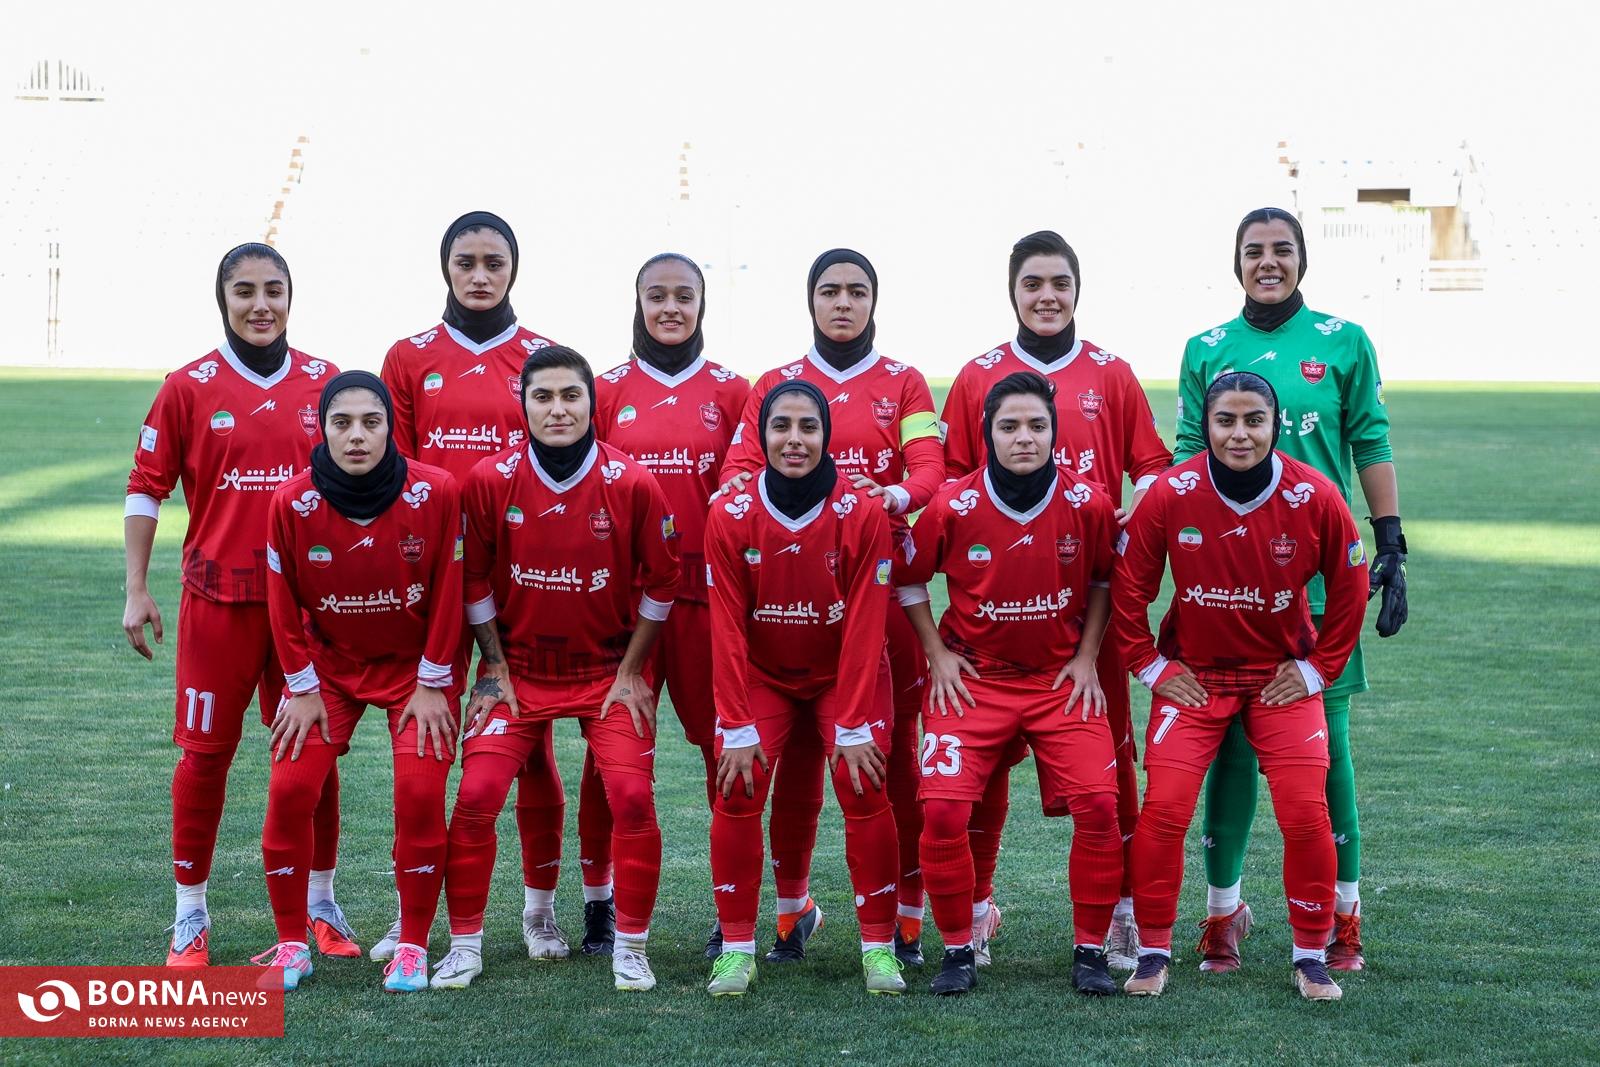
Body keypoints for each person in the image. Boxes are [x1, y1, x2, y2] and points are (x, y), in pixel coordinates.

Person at [1174, 208, 1407, 973]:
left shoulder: (1344, 340)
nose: (1267, 261)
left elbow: (1369, 437)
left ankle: (1344, 913)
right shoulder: (1206, 347)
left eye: (1282, 249)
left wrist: (1390, 541)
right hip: (1228, 591)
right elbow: (1187, 455)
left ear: (1303, 258)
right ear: (1235, 262)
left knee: (1327, 758)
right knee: (1231, 755)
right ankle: (1223, 912)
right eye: (1254, 251)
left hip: (1318, 588)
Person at [939, 230, 1172, 969]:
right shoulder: (977, 375)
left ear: (1078, 289)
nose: (1047, 296)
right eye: (1033, 283)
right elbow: (949, 477)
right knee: (981, 772)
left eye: (1059, 283)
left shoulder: (1111, 372)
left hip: (1086, 609)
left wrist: (1132, 515)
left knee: (1114, 764)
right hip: (999, 606)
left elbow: (1154, 467)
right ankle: (977, 907)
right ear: (1012, 291)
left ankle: (1124, 911)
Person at [124, 243, 352, 966]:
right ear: (222, 299)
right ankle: (189, 914)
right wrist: (136, 588)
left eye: (273, 290)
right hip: (218, 602)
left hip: (305, 612)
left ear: (291, 296)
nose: (261, 305)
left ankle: (321, 903)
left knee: (313, 758)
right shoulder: (187, 386)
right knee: (204, 758)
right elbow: (146, 487)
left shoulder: (326, 382)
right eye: (245, 290)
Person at [716, 248, 943, 966]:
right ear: (810, 300)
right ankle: (791, 912)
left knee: (887, 761)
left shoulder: (904, 380)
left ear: (874, 301)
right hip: (788, 590)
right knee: (794, 764)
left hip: (879, 593)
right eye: (829, 290)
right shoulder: (776, 383)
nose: (843, 302)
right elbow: (738, 472)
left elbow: (930, 468)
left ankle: (906, 919)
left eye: (857, 291)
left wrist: (893, 496)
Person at [432, 345, 680, 992]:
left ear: (592, 403)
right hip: (519, 671)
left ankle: (631, 946)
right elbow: (473, 576)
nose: (558, 409)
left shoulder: (631, 481)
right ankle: (474, 941)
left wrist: (632, 670)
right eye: (542, 396)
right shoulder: (490, 478)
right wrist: (492, 664)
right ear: (523, 405)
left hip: (606, 672)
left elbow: (663, 580)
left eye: (571, 395)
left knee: (632, 797)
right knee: (477, 795)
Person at [1113, 371, 1367, 1001]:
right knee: (1165, 810)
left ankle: (1311, 956)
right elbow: (1128, 588)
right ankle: (1152, 953)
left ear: (1276, 425)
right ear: (1206, 425)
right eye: (1225, 420)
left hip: (1279, 680)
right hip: (1195, 679)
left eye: (1255, 420)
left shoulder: (1314, 494)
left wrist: (1317, 668)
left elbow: (1351, 583)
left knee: (1305, 812)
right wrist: (1151, 665)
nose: (1240, 434)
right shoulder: (1171, 493)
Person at [376, 211, 577, 963]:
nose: (481, 274)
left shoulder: (541, 357)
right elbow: (391, 471)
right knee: (422, 758)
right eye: (467, 261)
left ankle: (539, 911)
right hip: (427, 584)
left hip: (516, 585)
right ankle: (410, 917)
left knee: (531, 753)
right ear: (446, 268)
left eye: (495, 261)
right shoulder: (408, 357)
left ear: (514, 268)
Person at [895, 371, 1123, 997]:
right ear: (986, 433)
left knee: (1100, 805)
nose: (1024, 437)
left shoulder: (1089, 501)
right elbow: (908, 578)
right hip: (974, 680)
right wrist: (937, 654)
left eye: (1037, 426)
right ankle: (959, 949)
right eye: (1009, 426)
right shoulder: (953, 503)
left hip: (1058, 680)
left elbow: (1105, 578)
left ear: (1055, 432)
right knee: (943, 810)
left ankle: (1090, 951)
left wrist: (1087, 657)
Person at [255, 372, 463, 992]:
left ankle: (413, 946)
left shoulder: (436, 492)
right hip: (328, 671)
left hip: (416, 673)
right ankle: (291, 944)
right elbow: (281, 601)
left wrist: (433, 681)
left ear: (390, 428)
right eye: (341, 422)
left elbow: (451, 593)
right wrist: (301, 687)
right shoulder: (291, 502)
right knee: (290, 790)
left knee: (420, 795)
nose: (356, 436)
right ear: (321, 427)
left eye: (371, 422)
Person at [703, 380, 903, 997]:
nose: (794, 440)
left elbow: (866, 622)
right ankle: (735, 950)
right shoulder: (729, 512)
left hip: (843, 675)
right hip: (764, 675)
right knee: (736, 786)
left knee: (863, 780)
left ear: (826, 435)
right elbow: (727, 626)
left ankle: (879, 948)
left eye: (808, 427)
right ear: (762, 435)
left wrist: (852, 724)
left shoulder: (862, 510)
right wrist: (736, 724)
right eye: (781, 426)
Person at [591, 252, 752, 957]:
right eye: (656, 296)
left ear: (701, 304)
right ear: (638, 302)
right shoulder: (604, 390)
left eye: (684, 296)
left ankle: (732, 909)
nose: (670, 308)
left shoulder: (734, 390)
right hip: (623, 603)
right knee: (612, 757)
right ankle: (599, 904)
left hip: (704, 598)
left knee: (726, 749)